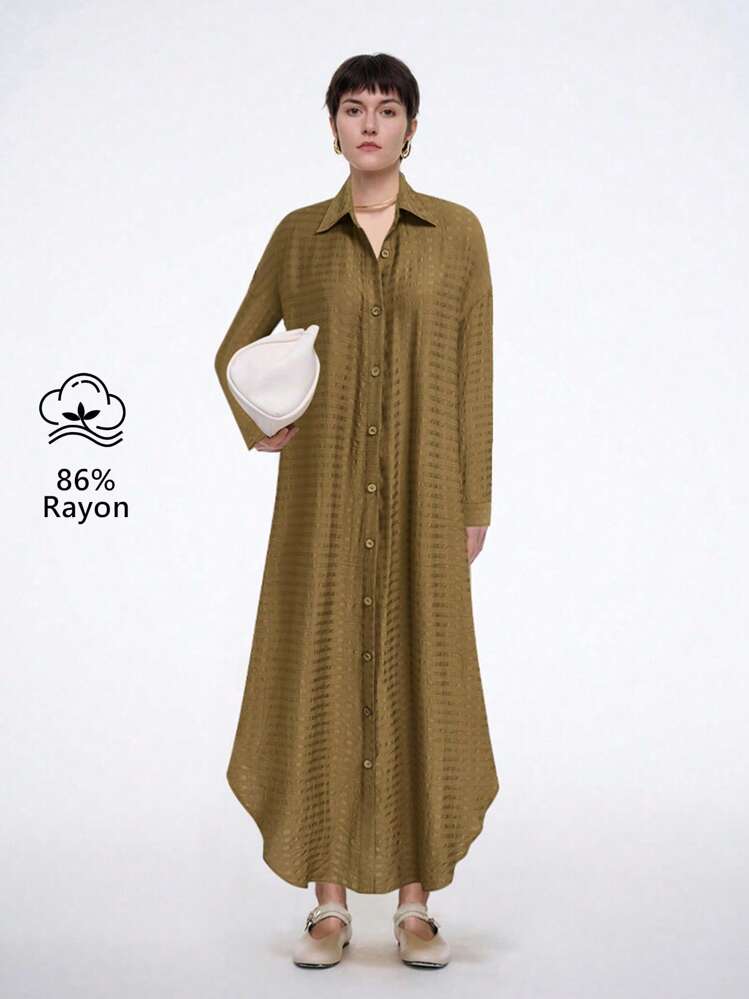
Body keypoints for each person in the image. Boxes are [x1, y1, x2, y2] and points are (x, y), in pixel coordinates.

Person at [214, 52, 499, 969]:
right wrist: (262, 424)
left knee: (425, 673)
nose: (369, 124)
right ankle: (328, 903)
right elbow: (235, 347)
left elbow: (474, 375)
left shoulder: (457, 235)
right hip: (323, 500)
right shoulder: (299, 237)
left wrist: (474, 501)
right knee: (321, 672)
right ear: (332, 125)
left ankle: (416, 906)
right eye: (352, 108)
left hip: (425, 492)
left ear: (412, 127)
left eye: (386, 109)